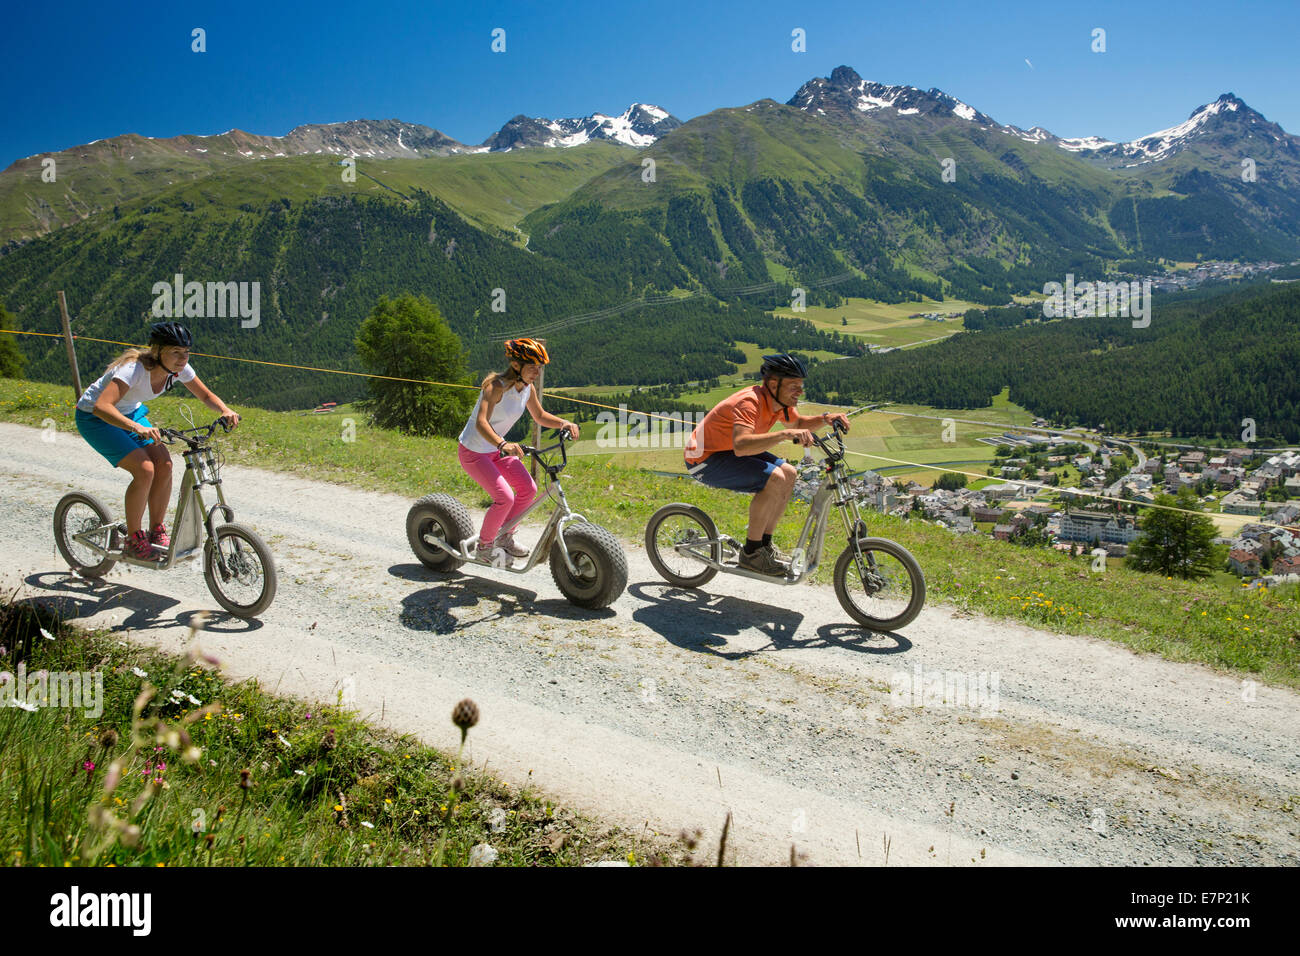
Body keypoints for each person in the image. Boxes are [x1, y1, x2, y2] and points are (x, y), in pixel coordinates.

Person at [75, 322, 241, 559]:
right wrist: (136, 427)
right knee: (145, 470)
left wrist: (224, 410)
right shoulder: (132, 370)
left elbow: (204, 394)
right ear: (157, 351)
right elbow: (102, 407)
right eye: (175, 352)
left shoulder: (179, 369)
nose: (183, 358)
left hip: (130, 413)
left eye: (186, 352)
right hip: (95, 418)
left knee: (164, 464)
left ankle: (156, 531)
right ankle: (134, 539)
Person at [683, 353, 850, 576]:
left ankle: (764, 546)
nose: (800, 391)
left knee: (789, 473)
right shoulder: (749, 402)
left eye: (801, 385)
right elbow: (742, 445)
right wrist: (784, 434)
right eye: (794, 386)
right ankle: (751, 554)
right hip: (704, 459)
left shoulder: (780, 402)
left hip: (729, 451)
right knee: (775, 478)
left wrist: (826, 418)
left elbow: (798, 423)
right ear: (773, 384)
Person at [457, 338, 579, 563]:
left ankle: (504, 537)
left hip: (495, 451)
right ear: (516, 365)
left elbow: (540, 416)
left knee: (528, 489)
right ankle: (484, 548)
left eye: (539, 367)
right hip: (474, 452)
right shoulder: (495, 386)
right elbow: (481, 423)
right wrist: (503, 444)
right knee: (505, 497)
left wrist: (564, 423)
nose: (537, 372)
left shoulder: (527, 389)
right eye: (532, 366)